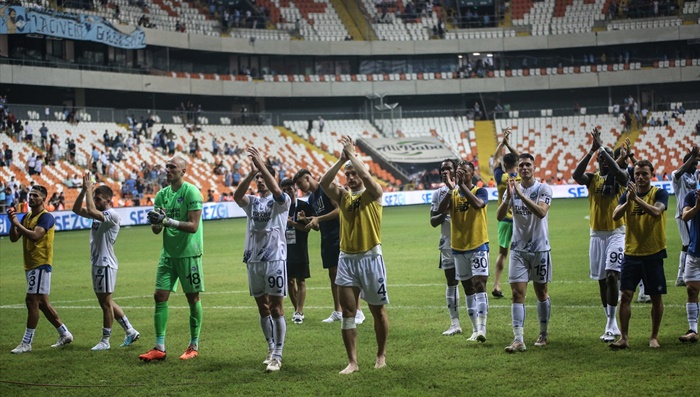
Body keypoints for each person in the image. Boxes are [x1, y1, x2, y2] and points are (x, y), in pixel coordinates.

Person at [320, 135, 389, 374]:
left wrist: (353, 156)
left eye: (353, 173)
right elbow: (323, 183)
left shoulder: (374, 193)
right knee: (348, 312)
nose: (349, 178)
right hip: (347, 259)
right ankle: (353, 361)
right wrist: (341, 161)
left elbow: (369, 178)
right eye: (347, 175)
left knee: (377, 310)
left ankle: (380, 355)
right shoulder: (343, 196)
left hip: (371, 258)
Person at [139, 155, 204, 362]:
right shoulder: (162, 195)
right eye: (166, 167)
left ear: (183, 171)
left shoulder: (191, 191)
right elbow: (157, 230)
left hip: (189, 253)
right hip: (168, 254)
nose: (168, 170)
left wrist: (166, 221)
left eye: (172, 167)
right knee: (159, 296)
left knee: (192, 298)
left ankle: (193, 345)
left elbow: (193, 226)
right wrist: (157, 222)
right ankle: (160, 347)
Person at [233, 148, 291, 372]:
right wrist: (250, 173)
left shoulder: (281, 201)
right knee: (262, 309)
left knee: (276, 309)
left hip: (275, 260)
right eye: (257, 178)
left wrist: (262, 167)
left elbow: (276, 190)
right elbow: (238, 197)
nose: (259, 181)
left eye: (262, 177)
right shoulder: (253, 202)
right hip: (253, 260)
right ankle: (270, 348)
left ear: (270, 177)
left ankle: (278, 354)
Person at [71, 173, 140, 350]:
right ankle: (130, 331)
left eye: (98, 199)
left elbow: (92, 210)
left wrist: (88, 189)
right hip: (97, 262)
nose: (95, 201)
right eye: (94, 198)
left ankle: (105, 340)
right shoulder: (99, 214)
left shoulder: (112, 215)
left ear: (109, 200)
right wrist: (83, 191)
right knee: (106, 301)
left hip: (105, 263)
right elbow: (77, 210)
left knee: (105, 303)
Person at [572, 129, 629, 342]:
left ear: (612, 161)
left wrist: (604, 150)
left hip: (616, 233)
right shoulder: (592, 179)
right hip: (596, 235)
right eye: (600, 159)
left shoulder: (621, 178)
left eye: (607, 159)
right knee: (602, 280)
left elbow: (621, 172)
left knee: (613, 275)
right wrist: (592, 150)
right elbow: (576, 175)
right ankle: (610, 319)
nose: (604, 162)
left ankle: (611, 323)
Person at [293, 169, 365, 324]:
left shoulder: (326, 189)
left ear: (307, 178)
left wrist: (319, 218)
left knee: (347, 273)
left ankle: (358, 310)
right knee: (333, 275)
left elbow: (341, 209)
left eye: (300, 183)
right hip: (326, 238)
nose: (299, 187)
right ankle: (338, 310)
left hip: (340, 235)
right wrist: (307, 220)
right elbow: (317, 226)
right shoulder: (312, 198)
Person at [497, 153, 553, 353]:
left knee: (541, 292)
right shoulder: (512, 188)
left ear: (534, 167)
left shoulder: (543, 189)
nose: (524, 168)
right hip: (519, 249)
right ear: (517, 168)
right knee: (516, 293)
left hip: (539, 249)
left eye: (528, 164)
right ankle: (518, 339)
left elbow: (541, 212)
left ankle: (543, 334)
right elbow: (499, 216)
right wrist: (508, 198)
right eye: (521, 165)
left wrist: (520, 196)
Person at [8, 185, 74, 354]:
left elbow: (36, 235)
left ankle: (26, 342)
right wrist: (13, 223)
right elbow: (14, 238)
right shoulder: (28, 216)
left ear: (43, 198)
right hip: (30, 264)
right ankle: (64, 333)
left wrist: (18, 224)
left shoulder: (46, 217)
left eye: (35, 196)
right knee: (43, 303)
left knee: (31, 301)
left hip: (40, 263)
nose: (31, 198)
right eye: (30, 195)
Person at [610, 159, 668, 349]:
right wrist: (629, 201)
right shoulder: (628, 195)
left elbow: (656, 212)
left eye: (644, 173)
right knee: (625, 295)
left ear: (652, 174)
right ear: (633, 176)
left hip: (653, 252)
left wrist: (636, 200)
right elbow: (615, 215)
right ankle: (624, 338)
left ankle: (654, 337)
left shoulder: (659, 192)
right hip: (631, 253)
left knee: (655, 297)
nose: (640, 177)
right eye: (637, 174)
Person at [436, 160, 491, 342]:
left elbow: (477, 204)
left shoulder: (480, 191)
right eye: (459, 172)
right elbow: (440, 211)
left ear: (472, 174)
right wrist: (452, 189)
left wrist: (460, 187)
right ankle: (475, 330)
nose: (461, 175)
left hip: (478, 245)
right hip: (458, 248)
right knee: (467, 288)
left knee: (480, 284)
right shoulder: (452, 193)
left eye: (465, 172)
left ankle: (482, 328)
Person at [429, 159, 462, 336]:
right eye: (442, 169)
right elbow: (433, 221)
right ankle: (454, 323)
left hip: (467, 243)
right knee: (451, 282)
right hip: (447, 244)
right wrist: (445, 210)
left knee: (472, 284)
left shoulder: (465, 189)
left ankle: (478, 326)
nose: (445, 172)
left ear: (456, 170)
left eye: (448, 168)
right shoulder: (438, 194)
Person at [280, 178, 313, 324]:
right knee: (289, 282)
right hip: (284, 249)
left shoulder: (303, 206)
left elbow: (308, 228)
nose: (287, 192)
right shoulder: (280, 207)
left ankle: (299, 311)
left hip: (299, 248)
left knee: (301, 280)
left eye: (289, 189)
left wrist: (293, 223)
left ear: (295, 189)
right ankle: (297, 310)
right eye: (284, 190)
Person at [491, 128, 519, 298]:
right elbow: (521, 157)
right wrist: (509, 144)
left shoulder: (501, 177)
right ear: (516, 165)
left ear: (504, 165)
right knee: (521, 252)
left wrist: (502, 143)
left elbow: (494, 159)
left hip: (504, 219)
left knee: (503, 253)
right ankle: (518, 283)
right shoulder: (521, 176)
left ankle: (496, 284)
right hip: (520, 219)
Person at [671, 147, 700, 287]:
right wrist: (691, 159)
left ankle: (682, 276)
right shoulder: (678, 176)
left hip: (694, 213)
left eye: (696, 165)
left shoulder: (694, 175)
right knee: (687, 244)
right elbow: (679, 172)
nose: (695, 167)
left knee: (690, 243)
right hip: (683, 214)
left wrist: (696, 157)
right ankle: (680, 277)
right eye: (693, 165)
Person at [679, 186, 700, 343]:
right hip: (694, 251)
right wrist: (697, 207)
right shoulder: (692, 195)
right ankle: (693, 330)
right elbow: (685, 216)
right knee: (691, 289)